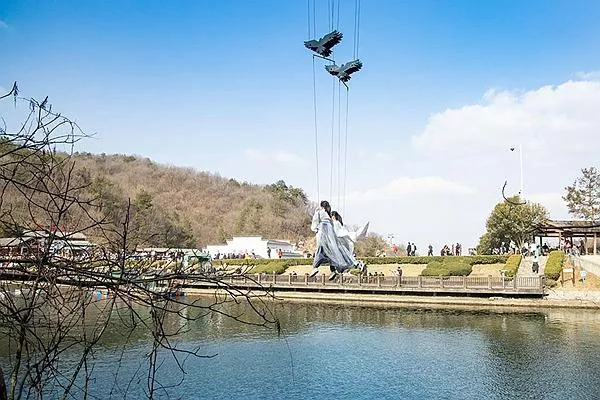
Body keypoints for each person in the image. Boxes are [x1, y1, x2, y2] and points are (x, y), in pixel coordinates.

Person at [309, 201, 355, 280]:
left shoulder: (319, 212)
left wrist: (315, 229)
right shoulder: (329, 215)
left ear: (321, 206)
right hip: (331, 236)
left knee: (320, 250)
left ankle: (315, 267)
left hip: (322, 232)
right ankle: (334, 270)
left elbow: (315, 223)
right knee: (332, 252)